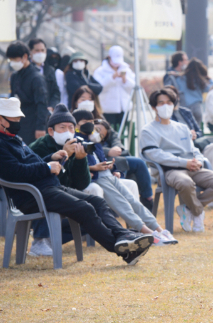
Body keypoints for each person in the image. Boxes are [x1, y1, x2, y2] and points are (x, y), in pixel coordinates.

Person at [0, 97, 154, 265]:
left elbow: (31, 164)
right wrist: (47, 167)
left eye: (18, 118)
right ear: (1, 119)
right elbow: (14, 172)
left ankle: (123, 235)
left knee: (97, 201)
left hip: (48, 187)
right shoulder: (3, 143)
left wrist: (51, 157)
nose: (18, 121)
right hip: (32, 195)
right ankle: (123, 250)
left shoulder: (14, 138)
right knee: (85, 208)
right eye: (14, 118)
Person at [73, 109, 177, 246]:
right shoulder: (76, 141)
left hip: (107, 175)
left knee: (134, 202)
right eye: (85, 122)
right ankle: (147, 232)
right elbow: (80, 165)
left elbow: (102, 158)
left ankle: (158, 229)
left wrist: (112, 167)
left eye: (92, 122)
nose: (90, 125)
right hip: (97, 179)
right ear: (76, 125)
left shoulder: (93, 139)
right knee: (123, 205)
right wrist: (95, 168)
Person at [140, 89, 213, 232]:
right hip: (169, 171)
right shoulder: (148, 130)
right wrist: (184, 163)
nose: (165, 106)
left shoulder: (182, 128)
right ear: (153, 107)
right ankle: (198, 212)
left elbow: (194, 149)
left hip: (192, 167)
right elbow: (156, 155)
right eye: (161, 103)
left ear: (174, 104)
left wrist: (199, 161)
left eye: (169, 102)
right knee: (185, 183)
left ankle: (188, 209)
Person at [27, 104, 96, 257]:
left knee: (93, 217)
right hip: (39, 197)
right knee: (53, 196)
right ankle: (40, 240)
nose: (68, 132)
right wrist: (67, 157)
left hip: (66, 196)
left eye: (71, 128)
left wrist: (79, 160)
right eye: (62, 127)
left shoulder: (76, 143)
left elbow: (82, 184)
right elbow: (52, 183)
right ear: (51, 131)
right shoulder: (39, 147)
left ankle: (51, 240)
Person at [164, 85, 213, 178]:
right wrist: (184, 137)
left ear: (178, 97)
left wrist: (194, 135)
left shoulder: (186, 112)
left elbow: (199, 131)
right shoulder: (164, 116)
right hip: (182, 152)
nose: (170, 99)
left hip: (196, 146)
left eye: (172, 95)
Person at [94, 119, 155, 211]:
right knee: (124, 165)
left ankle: (147, 199)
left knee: (139, 163)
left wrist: (117, 147)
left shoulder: (103, 121)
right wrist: (108, 151)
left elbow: (114, 136)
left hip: (118, 158)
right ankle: (122, 205)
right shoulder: (81, 127)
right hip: (106, 162)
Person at [7, 40, 49, 144]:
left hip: (33, 123)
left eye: (15, 59)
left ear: (25, 57)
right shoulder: (15, 76)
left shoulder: (36, 78)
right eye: (11, 59)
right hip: (18, 124)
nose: (13, 62)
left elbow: (42, 104)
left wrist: (41, 127)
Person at [93, 46, 135, 127]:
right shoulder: (100, 71)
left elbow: (132, 88)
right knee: (109, 130)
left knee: (122, 130)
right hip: (107, 108)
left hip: (124, 107)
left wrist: (124, 79)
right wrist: (112, 77)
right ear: (109, 57)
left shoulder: (126, 69)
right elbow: (98, 88)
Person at [28, 38, 61, 112]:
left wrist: (52, 106)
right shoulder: (26, 70)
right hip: (30, 113)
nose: (40, 53)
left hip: (47, 112)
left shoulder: (50, 70)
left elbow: (55, 92)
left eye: (42, 50)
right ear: (30, 52)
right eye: (37, 50)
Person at [175, 58, 210, 124]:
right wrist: (208, 79)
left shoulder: (181, 78)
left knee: (186, 129)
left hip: (184, 107)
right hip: (197, 107)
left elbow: (177, 88)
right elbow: (209, 88)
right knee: (197, 129)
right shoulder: (200, 79)